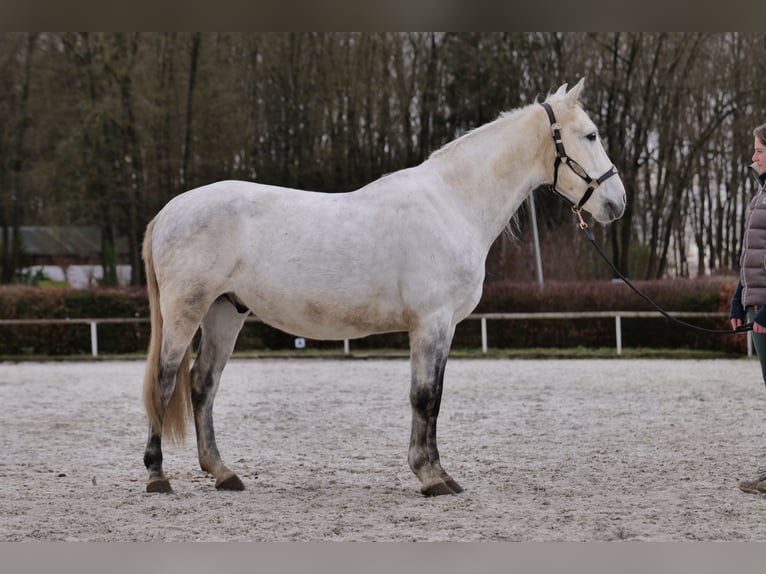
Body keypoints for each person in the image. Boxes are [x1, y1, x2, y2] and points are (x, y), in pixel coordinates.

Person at [731, 122, 766, 494]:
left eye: (758, 150)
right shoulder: (761, 195)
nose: (753, 156)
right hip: (757, 305)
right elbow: (752, 257)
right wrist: (738, 299)